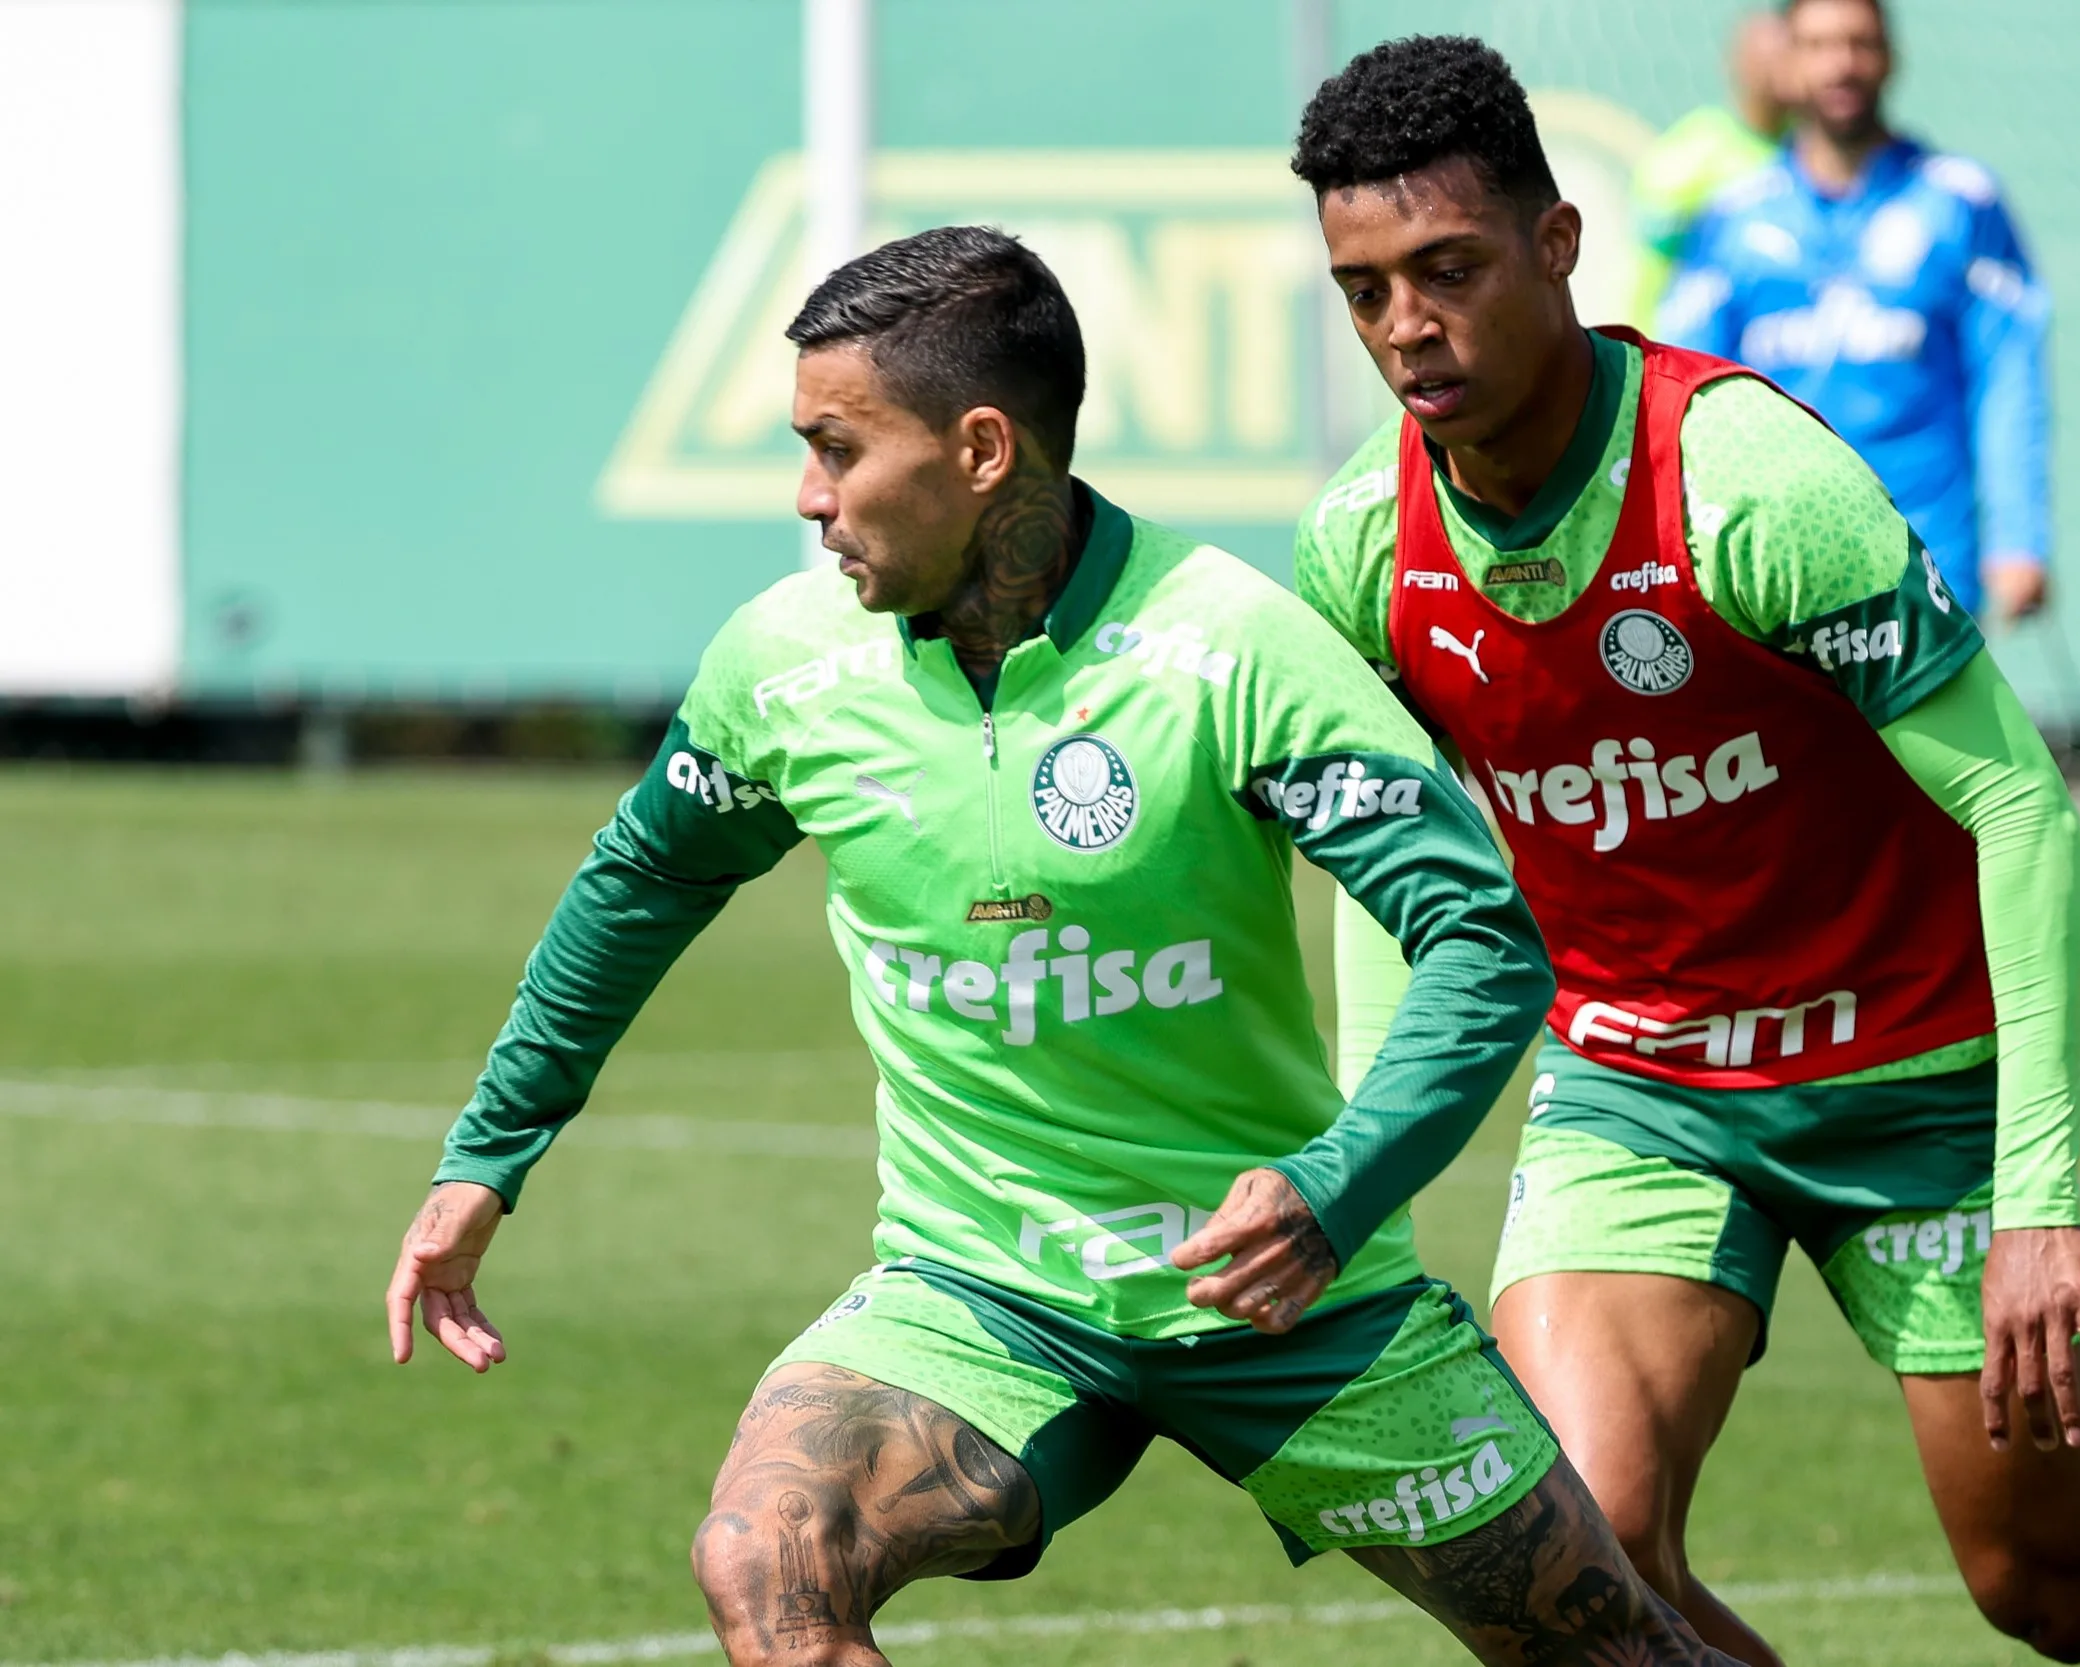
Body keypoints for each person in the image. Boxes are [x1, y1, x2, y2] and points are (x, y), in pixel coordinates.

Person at [383, 226, 1749, 1667]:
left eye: (839, 449)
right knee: (768, 1554)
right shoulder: (784, 669)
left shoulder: (1231, 648)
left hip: (1293, 1304)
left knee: (1617, 1653)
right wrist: (488, 1154)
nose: (810, 498)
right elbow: (637, 886)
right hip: (980, 1294)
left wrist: (1332, 1190)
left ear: (981, 449)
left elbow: (1483, 940)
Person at [1291, 34, 2080, 1667]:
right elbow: (1391, 862)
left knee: (2052, 1597)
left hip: (1917, 1070)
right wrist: (1366, 1185)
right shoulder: (1365, 546)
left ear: (1557, 243)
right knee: (1570, 1565)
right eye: (1365, 290)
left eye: (1449, 269)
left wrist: (2040, 1208)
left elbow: (2023, 810)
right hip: (1640, 1076)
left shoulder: (1750, 484)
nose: (1409, 328)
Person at [1657, 0, 2052, 625]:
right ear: (1784, 64)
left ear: (1892, 57)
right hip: (1776, 567)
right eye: (1817, 45)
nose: (1841, 64)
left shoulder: (1960, 204)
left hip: (1928, 558)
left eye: (1859, 43)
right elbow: (1678, 395)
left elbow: (2009, 377)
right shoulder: (1731, 219)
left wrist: (2019, 540)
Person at [1625, 11, 1790, 329]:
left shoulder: (1816, 155)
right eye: (1767, 59)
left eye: (1788, 57)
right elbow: (1649, 276)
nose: (1779, 72)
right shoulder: (1689, 159)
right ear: (1738, 65)